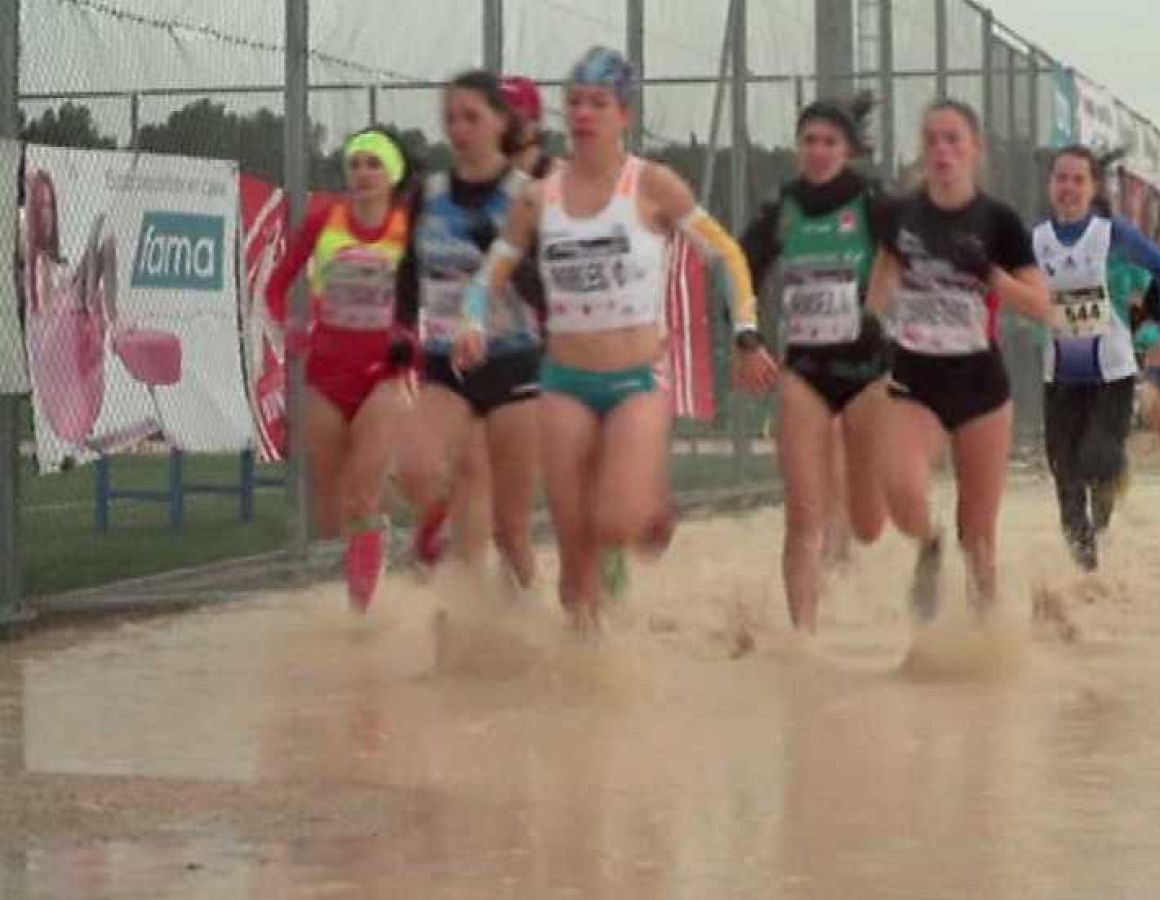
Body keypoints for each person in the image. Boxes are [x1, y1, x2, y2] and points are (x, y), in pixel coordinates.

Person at [468, 46, 779, 631]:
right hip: (563, 382)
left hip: (636, 381)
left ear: (624, 115)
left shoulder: (653, 184)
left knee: (614, 521)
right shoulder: (538, 197)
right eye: (576, 103)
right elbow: (492, 271)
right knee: (573, 567)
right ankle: (593, 689)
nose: (584, 114)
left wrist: (745, 330)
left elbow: (727, 253)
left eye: (599, 103)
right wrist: (471, 320)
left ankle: (649, 507)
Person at [868, 99, 1050, 617]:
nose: (942, 151)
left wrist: (991, 275)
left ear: (975, 149)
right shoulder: (899, 215)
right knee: (901, 492)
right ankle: (928, 543)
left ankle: (986, 649)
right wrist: (869, 330)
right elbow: (883, 280)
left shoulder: (999, 221)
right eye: (932, 141)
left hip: (980, 386)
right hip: (914, 377)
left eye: (953, 140)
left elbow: (1042, 306)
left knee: (979, 537)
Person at [740, 93, 889, 632]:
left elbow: (906, 259)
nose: (819, 151)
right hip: (805, 370)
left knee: (869, 521)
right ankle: (804, 639)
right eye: (809, 141)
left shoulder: (871, 202)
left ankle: (861, 545)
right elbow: (740, 272)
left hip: (866, 372)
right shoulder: (784, 207)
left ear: (848, 149)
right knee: (803, 513)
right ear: (797, 147)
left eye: (830, 142)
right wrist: (748, 340)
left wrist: (880, 310)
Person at [395, 71, 544, 596]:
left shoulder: (528, 196)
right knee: (414, 470)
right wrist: (400, 330)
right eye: (450, 117)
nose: (459, 129)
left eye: (472, 117)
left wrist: (504, 253)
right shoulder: (427, 195)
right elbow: (408, 270)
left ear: (501, 122)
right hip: (446, 365)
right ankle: (450, 552)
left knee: (510, 532)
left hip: (513, 366)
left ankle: (528, 639)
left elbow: (549, 294)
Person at [266, 129, 416, 610]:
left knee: (360, 494)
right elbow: (277, 285)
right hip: (328, 373)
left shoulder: (409, 228)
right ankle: (373, 531)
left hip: (385, 377)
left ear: (392, 173)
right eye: (355, 164)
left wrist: (415, 339)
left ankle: (360, 611)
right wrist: (290, 328)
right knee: (334, 506)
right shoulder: (322, 221)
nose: (363, 173)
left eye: (374, 163)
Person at [1033, 146, 1160, 572]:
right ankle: (1085, 569)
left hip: (1111, 372)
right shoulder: (1036, 239)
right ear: (1050, 186)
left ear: (1093, 188)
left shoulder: (1110, 232)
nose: (1068, 188)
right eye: (1061, 178)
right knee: (1064, 471)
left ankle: (1103, 516)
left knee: (1097, 458)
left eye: (1078, 180)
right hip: (1059, 372)